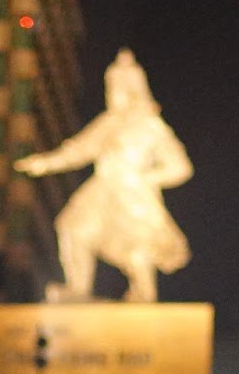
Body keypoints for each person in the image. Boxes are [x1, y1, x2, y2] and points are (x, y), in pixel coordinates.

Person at [13, 48, 192, 303]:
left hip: (132, 195)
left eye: (117, 87)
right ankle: (78, 289)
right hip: (103, 188)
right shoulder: (108, 122)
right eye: (111, 87)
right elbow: (79, 150)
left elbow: (180, 167)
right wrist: (45, 163)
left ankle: (145, 293)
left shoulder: (151, 126)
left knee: (135, 247)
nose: (113, 94)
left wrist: (146, 179)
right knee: (73, 228)